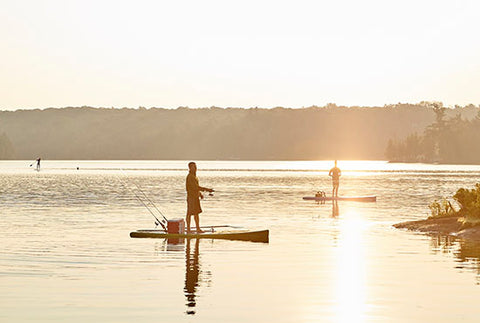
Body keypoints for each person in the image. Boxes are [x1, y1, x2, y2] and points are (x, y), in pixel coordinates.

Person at [186, 162, 213, 233]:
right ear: (189, 168)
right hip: (191, 198)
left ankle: (198, 228)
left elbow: (196, 188)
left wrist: (200, 194)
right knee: (189, 213)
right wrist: (207, 189)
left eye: (195, 167)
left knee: (196, 213)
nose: (195, 168)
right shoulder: (190, 177)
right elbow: (195, 187)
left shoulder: (195, 177)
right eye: (193, 167)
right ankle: (188, 229)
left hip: (195, 197)